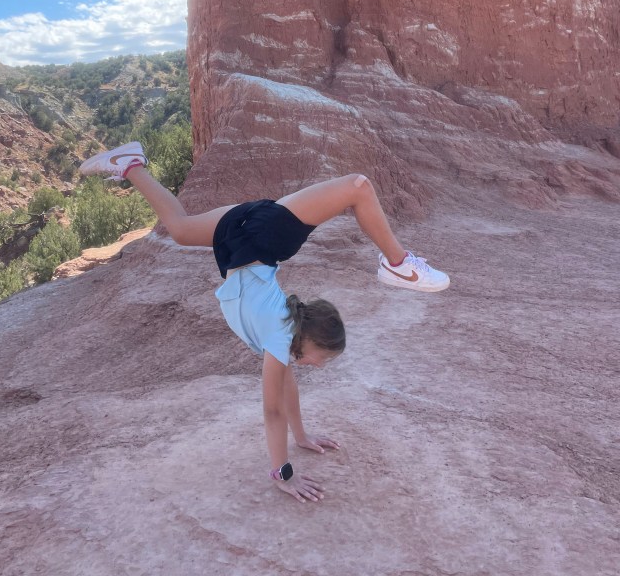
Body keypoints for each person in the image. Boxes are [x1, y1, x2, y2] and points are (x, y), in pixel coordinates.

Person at [80, 141, 449, 503]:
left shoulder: (284, 338)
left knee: (179, 228)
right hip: (265, 238)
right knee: (358, 186)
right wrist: (283, 473)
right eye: (323, 358)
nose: (320, 365)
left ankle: (131, 164)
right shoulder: (278, 336)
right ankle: (399, 264)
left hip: (242, 233)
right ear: (308, 341)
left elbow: (288, 390)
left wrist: (301, 437)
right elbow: (273, 411)